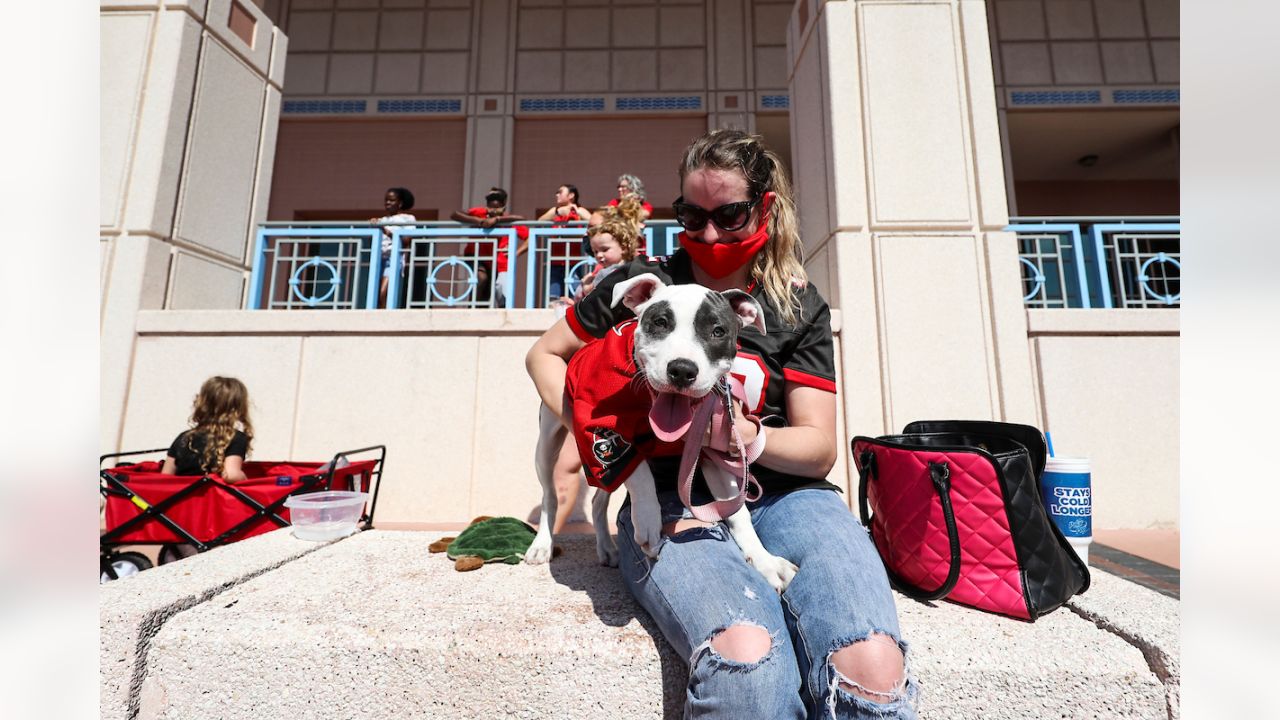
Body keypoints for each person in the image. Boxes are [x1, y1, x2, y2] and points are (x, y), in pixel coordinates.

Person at [525, 129, 916, 718]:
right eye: (691, 214)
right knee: (745, 663)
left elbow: (817, 448)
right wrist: (602, 427)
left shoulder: (793, 304)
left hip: (787, 496)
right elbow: (544, 356)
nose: (708, 234)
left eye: (728, 215)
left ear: (765, 207)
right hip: (665, 496)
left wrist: (745, 436)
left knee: (871, 666)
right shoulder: (641, 280)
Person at [162, 376, 254, 482]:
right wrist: (248, 482)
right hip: (212, 498)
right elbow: (231, 474)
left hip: (182, 497)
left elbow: (165, 477)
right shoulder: (235, 438)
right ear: (238, 408)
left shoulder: (183, 437)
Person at [451, 188, 528, 307]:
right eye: (490, 207)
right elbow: (454, 214)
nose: (493, 211)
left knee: (491, 292)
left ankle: (483, 315)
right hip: (475, 254)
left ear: (503, 207)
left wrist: (516, 253)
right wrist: (479, 221)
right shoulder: (479, 212)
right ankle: (470, 310)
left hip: (496, 262)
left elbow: (523, 221)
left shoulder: (510, 222)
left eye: (496, 208)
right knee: (481, 278)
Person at [537, 183, 592, 300]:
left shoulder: (579, 211)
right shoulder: (554, 211)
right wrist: (557, 212)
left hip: (574, 263)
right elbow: (539, 221)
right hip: (555, 262)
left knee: (576, 296)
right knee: (553, 297)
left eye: (560, 192)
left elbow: (593, 221)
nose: (557, 195)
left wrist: (578, 211)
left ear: (571, 195)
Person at [370, 187, 416, 308]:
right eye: (386, 200)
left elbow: (406, 241)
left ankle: (385, 320)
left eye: (391, 200)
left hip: (394, 259)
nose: (387, 203)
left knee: (382, 294)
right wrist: (374, 225)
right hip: (378, 259)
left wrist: (385, 231)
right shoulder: (383, 220)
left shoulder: (408, 218)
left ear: (400, 203)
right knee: (375, 296)